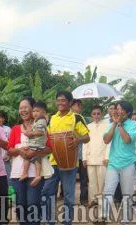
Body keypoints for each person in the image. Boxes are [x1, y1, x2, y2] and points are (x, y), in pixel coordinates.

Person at [42, 91, 90, 225]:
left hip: (70, 163)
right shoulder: (51, 118)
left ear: (70, 102)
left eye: (63, 100)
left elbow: (87, 137)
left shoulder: (77, 117)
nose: (60, 103)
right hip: (53, 162)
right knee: (47, 192)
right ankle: (50, 221)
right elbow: (47, 137)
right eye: (58, 100)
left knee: (68, 196)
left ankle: (67, 222)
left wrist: (78, 140)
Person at [8, 97, 52, 225]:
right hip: (17, 174)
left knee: (33, 205)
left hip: (35, 174)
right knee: (21, 207)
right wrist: (19, 151)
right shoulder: (16, 129)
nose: (22, 110)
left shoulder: (40, 127)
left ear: (33, 109)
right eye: (20, 108)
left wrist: (35, 152)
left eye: (25, 107)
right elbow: (9, 149)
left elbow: (49, 148)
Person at [102, 101, 136, 222]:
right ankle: (104, 217)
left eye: (121, 109)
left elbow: (127, 140)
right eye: (117, 109)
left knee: (127, 194)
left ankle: (126, 220)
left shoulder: (133, 124)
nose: (118, 111)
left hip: (128, 163)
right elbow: (106, 140)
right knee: (108, 190)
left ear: (128, 112)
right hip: (113, 163)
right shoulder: (111, 124)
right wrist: (114, 124)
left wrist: (119, 125)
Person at [83, 105, 108, 208]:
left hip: (102, 159)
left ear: (102, 114)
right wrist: (84, 157)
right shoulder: (88, 126)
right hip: (90, 158)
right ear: (91, 115)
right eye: (94, 114)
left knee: (102, 182)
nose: (96, 116)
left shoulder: (107, 125)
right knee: (92, 181)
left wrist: (107, 157)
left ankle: (102, 202)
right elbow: (85, 142)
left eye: (98, 113)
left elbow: (109, 143)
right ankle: (93, 200)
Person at [20, 101, 47, 187]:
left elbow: (40, 132)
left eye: (37, 111)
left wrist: (31, 133)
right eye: (34, 111)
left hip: (37, 144)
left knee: (26, 155)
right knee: (37, 158)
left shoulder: (41, 121)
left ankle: (25, 172)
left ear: (43, 112)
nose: (35, 113)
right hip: (38, 144)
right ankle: (37, 175)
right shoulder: (38, 121)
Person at [71, 99, 89, 205]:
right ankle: (68, 197)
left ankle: (83, 199)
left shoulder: (82, 118)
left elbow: (86, 136)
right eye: (77, 105)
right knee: (70, 179)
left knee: (83, 179)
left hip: (82, 153)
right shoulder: (68, 119)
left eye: (80, 105)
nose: (79, 107)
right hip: (72, 154)